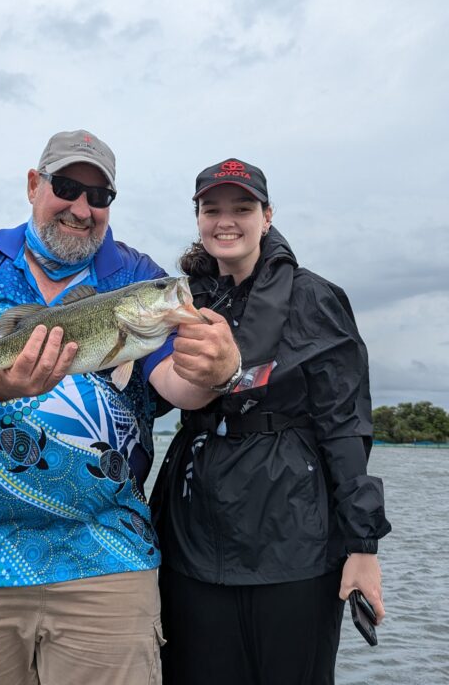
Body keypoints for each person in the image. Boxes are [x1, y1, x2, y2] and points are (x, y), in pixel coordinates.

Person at [0, 130, 240, 685]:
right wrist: (3, 383)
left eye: (100, 196)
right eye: (66, 187)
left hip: (106, 552)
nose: (82, 208)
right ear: (34, 186)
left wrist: (216, 372)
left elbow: (178, 385)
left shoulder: (133, 274)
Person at [150, 158, 392, 685]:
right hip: (193, 539)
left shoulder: (314, 296)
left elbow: (344, 422)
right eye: (212, 209)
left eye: (242, 207)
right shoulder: (182, 299)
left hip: (292, 542)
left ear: (267, 214)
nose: (226, 220)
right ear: (198, 218)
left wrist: (362, 547)